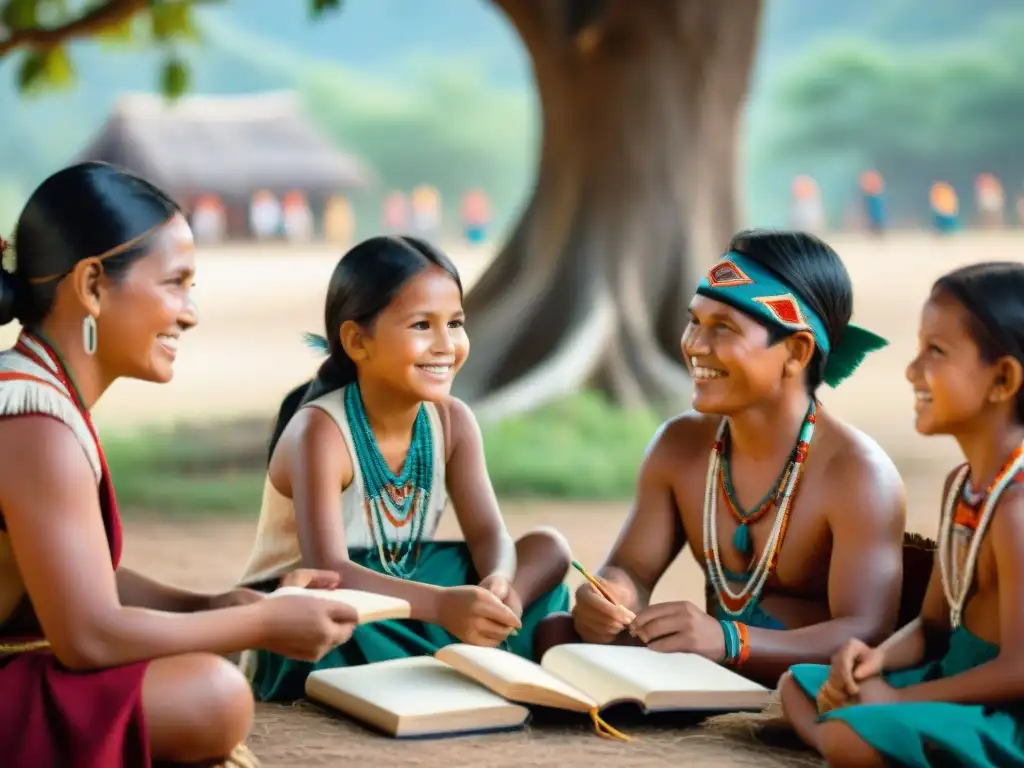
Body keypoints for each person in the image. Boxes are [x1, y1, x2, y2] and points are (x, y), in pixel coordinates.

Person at [0, 162, 363, 768]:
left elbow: (74, 581)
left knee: (199, 675)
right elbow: (87, 635)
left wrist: (217, 606)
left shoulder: (38, 390)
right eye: (175, 283)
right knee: (214, 696)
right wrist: (260, 628)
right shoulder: (34, 423)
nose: (189, 313)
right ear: (92, 285)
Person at [546, 230, 908, 686]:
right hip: (710, 678)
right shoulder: (678, 446)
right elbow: (632, 570)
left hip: (806, 690)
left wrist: (730, 640)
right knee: (556, 632)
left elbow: (866, 632)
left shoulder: (858, 475)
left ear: (795, 351)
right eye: (694, 321)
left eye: (723, 327)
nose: (694, 344)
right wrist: (611, 594)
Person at [237, 235, 572, 701]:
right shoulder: (321, 432)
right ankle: (476, 645)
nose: (445, 344)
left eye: (455, 323)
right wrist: (440, 606)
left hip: (412, 576)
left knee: (548, 549)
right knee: (327, 622)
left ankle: (485, 629)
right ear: (357, 340)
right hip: (337, 591)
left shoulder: (452, 421)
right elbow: (329, 567)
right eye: (421, 325)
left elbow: (489, 536)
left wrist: (499, 584)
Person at [780, 262, 1024, 767]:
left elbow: (1019, 671)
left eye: (935, 352)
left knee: (852, 733)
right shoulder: (964, 487)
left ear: (1002, 378)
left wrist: (899, 700)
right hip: (945, 679)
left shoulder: (1017, 510)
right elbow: (934, 624)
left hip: (1005, 711)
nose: (913, 371)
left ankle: (866, 741)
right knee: (799, 686)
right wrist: (877, 659)